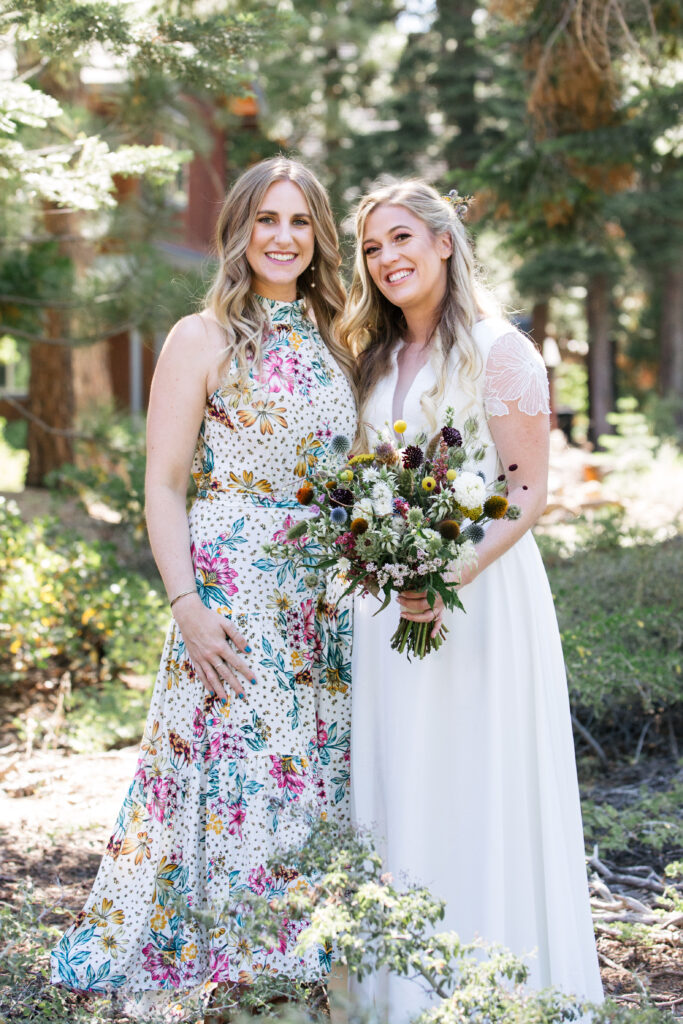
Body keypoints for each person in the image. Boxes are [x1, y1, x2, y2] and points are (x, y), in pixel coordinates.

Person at [51, 157, 357, 1016]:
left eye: (300, 222)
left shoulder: (343, 338)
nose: (283, 238)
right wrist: (187, 605)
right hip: (230, 586)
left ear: (319, 237)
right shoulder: (202, 336)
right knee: (236, 770)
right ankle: (229, 960)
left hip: (320, 597)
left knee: (308, 771)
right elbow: (163, 482)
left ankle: (304, 961)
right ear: (239, 229)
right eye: (266, 220)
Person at [341, 179, 603, 1021]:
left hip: (479, 595)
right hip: (389, 605)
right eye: (372, 248)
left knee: (473, 777)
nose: (386, 260)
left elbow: (526, 491)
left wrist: (451, 571)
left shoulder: (500, 348)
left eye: (401, 239)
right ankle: (400, 990)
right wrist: (388, 563)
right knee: (400, 777)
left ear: (444, 242)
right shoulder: (373, 358)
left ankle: (496, 988)